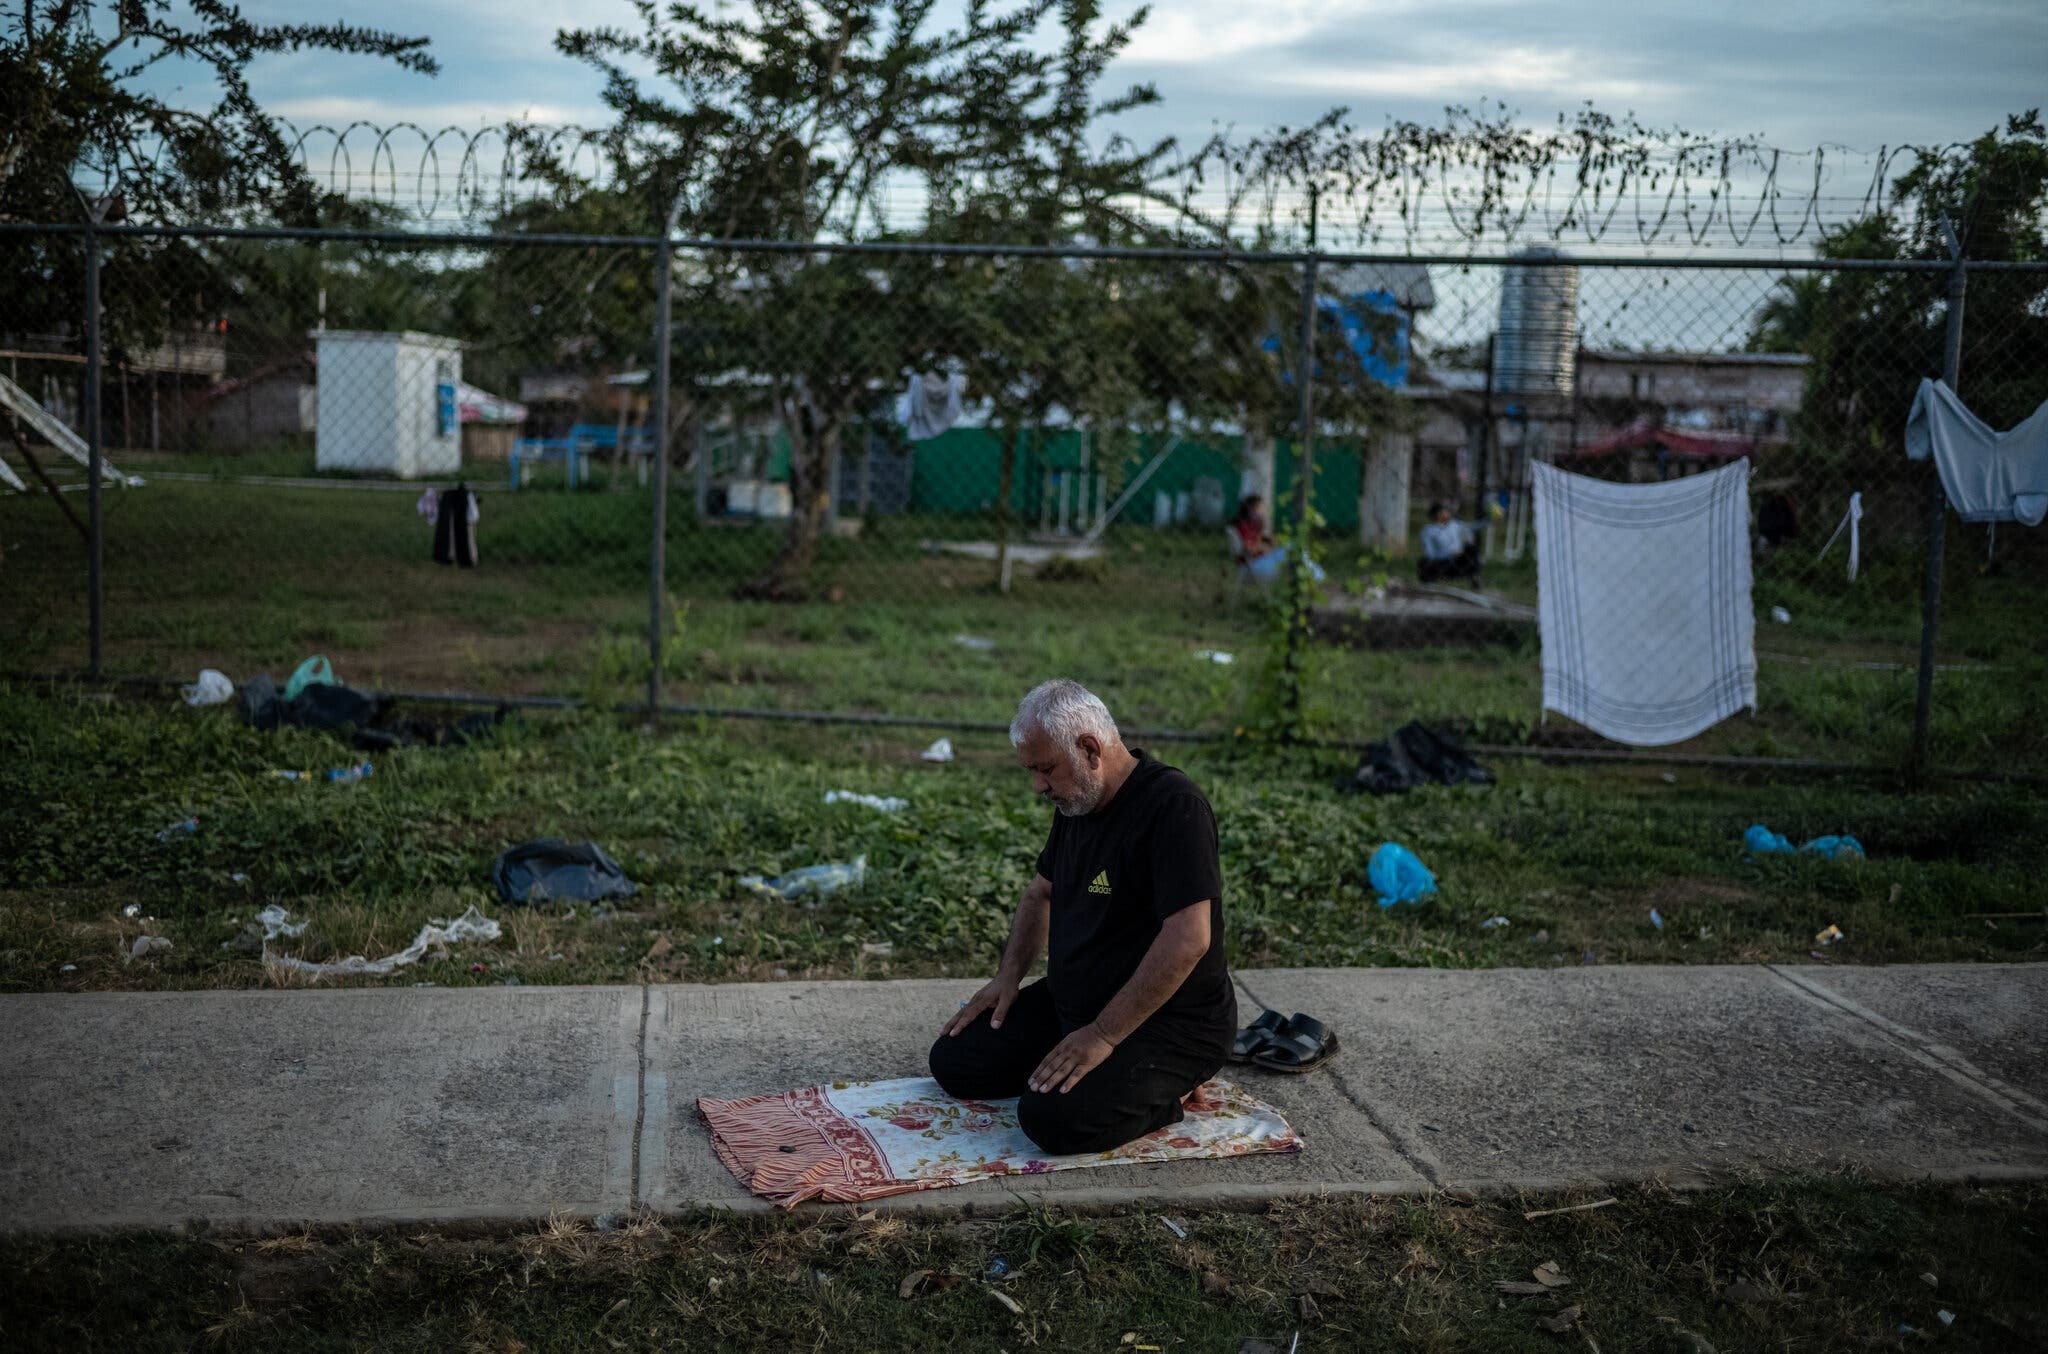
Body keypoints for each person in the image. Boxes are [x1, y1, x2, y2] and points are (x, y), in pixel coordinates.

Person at [928, 680, 1235, 1156]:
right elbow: (1039, 895)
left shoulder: (1174, 806)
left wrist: (1103, 1035)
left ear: (1090, 748)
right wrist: (1007, 978)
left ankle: (1167, 1093)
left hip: (1169, 1022)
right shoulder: (1077, 801)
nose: (1038, 786)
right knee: (955, 1061)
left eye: (1045, 769)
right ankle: (1089, 1066)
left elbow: (1189, 939)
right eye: (1032, 771)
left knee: (1050, 1119)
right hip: (1074, 1005)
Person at [1418, 499, 1487, 583]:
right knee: (1425, 563)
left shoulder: (1454, 525)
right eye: (1445, 511)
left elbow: (1472, 527)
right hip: (1443, 562)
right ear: (1438, 514)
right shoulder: (1428, 531)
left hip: (1458, 560)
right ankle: (1438, 577)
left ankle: (1474, 578)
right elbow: (1430, 555)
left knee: (1472, 550)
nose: (1449, 513)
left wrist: (1488, 519)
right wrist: (1450, 554)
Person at [1232, 494, 1274, 561]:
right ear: (1251, 511)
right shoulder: (1243, 527)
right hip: (1253, 562)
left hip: (1262, 558)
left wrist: (1269, 540)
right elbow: (1248, 550)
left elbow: (1259, 538)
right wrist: (1263, 547)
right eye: (1260, 508)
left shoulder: (1257, 524)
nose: (1263, 511)